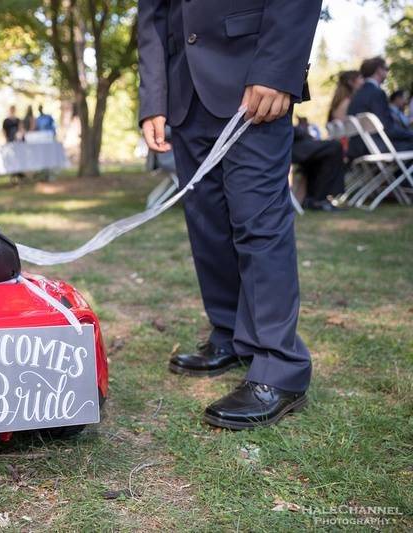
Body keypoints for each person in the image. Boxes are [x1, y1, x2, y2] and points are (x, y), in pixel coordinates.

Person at [138, 0, 320, 429]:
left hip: (252, 76)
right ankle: (229, 336)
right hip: (183, 90)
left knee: (258, 221)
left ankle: (280, 367)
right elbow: (152, 13)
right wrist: (154, 98)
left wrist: (277, 69)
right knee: (207, 224)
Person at [347, 57, 413, 159]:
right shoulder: (377, 93)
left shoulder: (356, 95)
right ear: (379, 70)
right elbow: (388, 128)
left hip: (357, 148)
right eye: (386, 68)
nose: (387, 72)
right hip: (376, 148)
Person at [292, 117, 346, 211]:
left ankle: (315, 198)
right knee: (334, 147)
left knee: (323, 152)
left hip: (289, 142)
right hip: (285, 146)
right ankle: (320, 199)